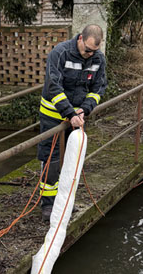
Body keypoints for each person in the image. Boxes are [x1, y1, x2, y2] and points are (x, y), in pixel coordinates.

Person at [37, 24, 107, 220]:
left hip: (77, 118)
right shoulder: (60, 53)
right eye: (87, 50)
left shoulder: (98, 59)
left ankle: (66, 200)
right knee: (52, 160)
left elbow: (98, 87)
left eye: (94, 51)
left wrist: (85, 109)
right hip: (53, 117)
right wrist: (69, 113)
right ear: (80, 39)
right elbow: (53, 86)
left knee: (72, 161)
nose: (89, 55)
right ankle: (48, 205)